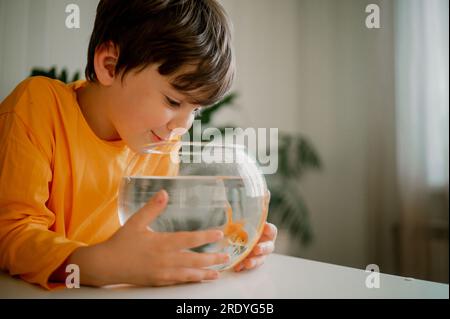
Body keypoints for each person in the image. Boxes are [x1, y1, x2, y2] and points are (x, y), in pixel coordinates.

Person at [0, 0, 277, 290]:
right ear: (110, 66)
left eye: (196, 111)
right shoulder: (37, 108)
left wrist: (230, 242)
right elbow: (11, 232)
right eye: (173, 101)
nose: (182, 126)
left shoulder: (158, 139)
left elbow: (159, 236)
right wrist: (103, 265)